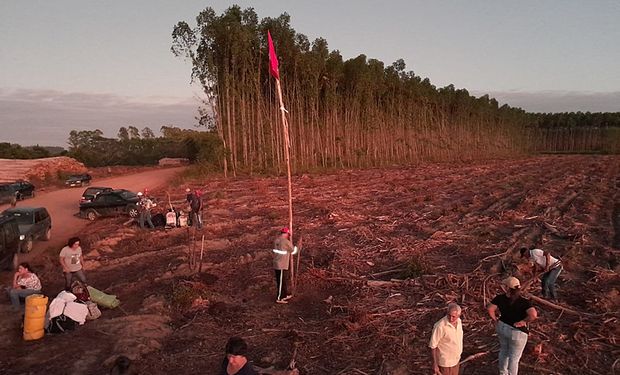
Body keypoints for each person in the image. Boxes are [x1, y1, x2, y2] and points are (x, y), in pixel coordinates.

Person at [488, 277, 538, 375]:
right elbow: (533, 315)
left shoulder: (499, 298)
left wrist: (495, 319)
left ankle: (503, 373)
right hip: (517, 332)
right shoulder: (524, 302)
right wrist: (524, 321)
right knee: (514, 358)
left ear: (507, 288)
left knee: (503, 351)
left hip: (502, 327)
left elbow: (490, 309)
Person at [429, 303, 463, 375]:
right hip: (445, 363)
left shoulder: (459, 322)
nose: (451, 319)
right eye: (449, 315)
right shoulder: (440, 326)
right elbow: (433, 346)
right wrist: (435, 364)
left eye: (453, 316)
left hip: (456, 360)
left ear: (458, 315)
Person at [272, 227, 298, 304]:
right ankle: (279, 298)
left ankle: (285, 294)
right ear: (287, 234)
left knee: (282, 281)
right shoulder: (286, 242)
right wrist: (297, 247)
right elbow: (293, 251)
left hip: (277, 263)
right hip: (282, 264)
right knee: (281, 282)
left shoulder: (276, 240)